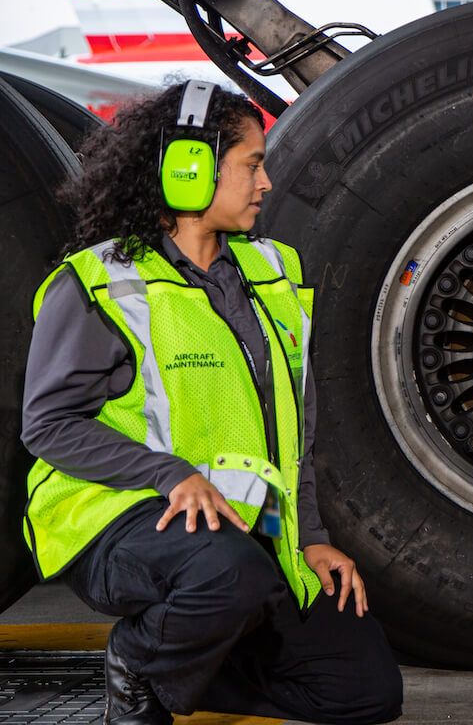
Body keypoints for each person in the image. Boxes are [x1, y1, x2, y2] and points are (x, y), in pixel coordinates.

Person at [20, 81, 405, 724]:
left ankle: (190, 666)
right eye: (252, 165)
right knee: (228, 574)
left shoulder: (271, 275)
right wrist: (170, 474)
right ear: (188, 170)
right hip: (117, 523)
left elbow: (293, 435)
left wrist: (310, 539)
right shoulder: (102, 281)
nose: (267, 184)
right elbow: (49, 424)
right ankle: (138, 666)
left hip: (228, 535)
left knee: (363, 691)